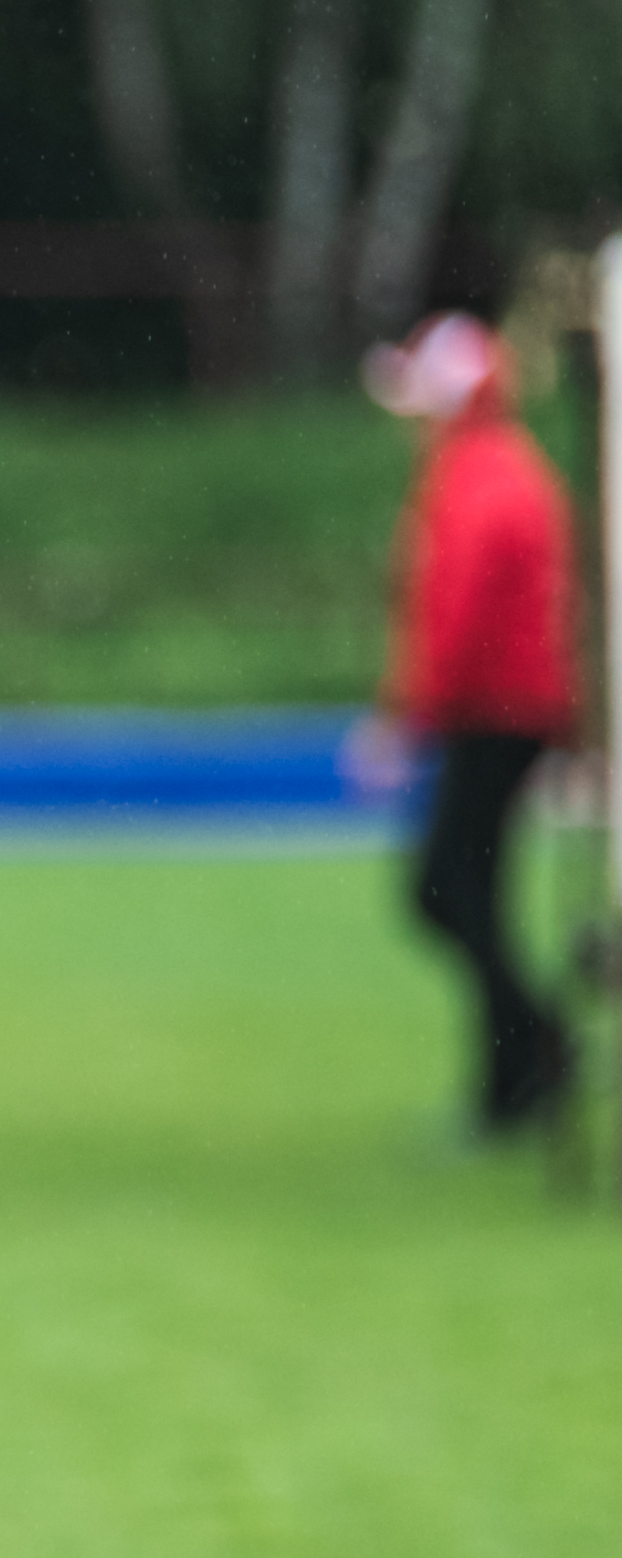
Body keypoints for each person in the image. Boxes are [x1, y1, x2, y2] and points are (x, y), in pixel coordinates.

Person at [368, 307, 587, 1140]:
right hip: (508, 709)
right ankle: (511, 1080)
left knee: (448, 890)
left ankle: (534, 1051)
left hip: (497, 712)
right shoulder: (493, 471)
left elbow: (452, 617)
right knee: (467, 894)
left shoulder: (478, 483)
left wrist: (408, 716)